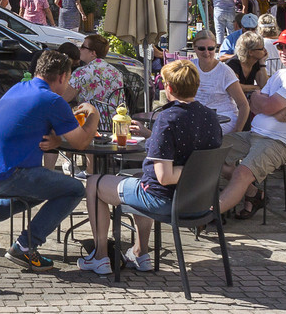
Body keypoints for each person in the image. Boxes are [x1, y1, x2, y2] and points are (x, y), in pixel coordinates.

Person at [80, 57, 222, 275]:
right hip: (199, 201)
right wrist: (151, 135)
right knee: (139, 177)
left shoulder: (167, 118)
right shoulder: (210, 117)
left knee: (93, 183)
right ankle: (140, 253)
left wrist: (191, 170)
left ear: (169, 87)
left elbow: (164, 177)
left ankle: (100, 257)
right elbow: (188, 147)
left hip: (166, 201)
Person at [0, 49, 98, 272]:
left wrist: (54, 141)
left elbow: (29, 124)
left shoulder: (20, 87)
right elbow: (81, 143)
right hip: (0, 176)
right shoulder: (52, 100)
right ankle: (26, 246)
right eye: (69, 77)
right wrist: (94, 113)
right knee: (73, 189)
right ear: (62, 77)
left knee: (43, 188)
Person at [218, 28, 286, 219]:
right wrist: (273, 108)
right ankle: (253, 194)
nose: (283, 51)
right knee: (209, 153)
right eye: (280, 46)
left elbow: (264, 104)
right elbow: (255, 101)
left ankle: (208, 214)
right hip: (255, 135)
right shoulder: (280, 74)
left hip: (281, 141)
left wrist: (268, 105)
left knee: (242, 173)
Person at [70, 34, 125, 121]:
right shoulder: (116, 72)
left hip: (89, 123)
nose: (79, 49)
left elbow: (64, 98)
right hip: (115, 122)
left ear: (93, 53)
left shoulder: (81, 72)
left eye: (83, 47)